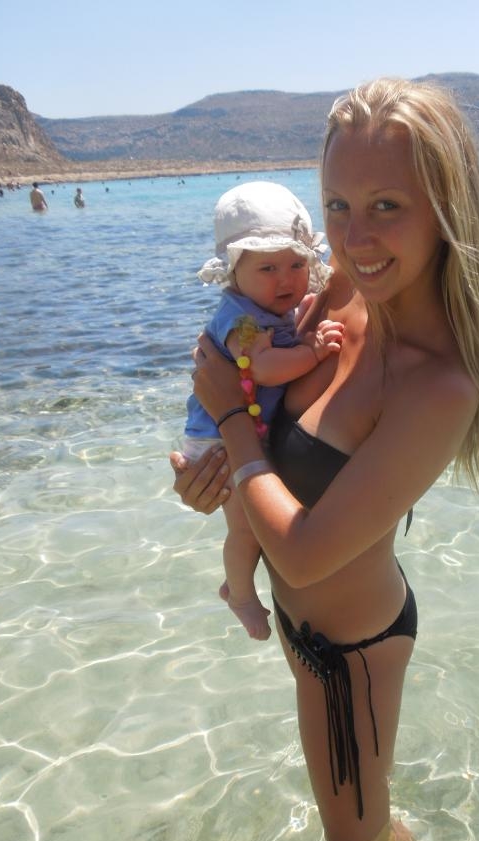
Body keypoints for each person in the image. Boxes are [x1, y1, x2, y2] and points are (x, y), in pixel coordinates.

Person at [172, 78, 479, 841]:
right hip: (299, 626)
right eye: (337, 206)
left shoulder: (440, 386)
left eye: (387, 206)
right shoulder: (343, 293)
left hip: (352, 652)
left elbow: (308, 548)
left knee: (355, 838)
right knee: (349, 821)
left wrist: (229, 420)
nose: (355, 238)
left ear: (448, 210)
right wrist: (214, 474)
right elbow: (269, 442)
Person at [183, 181, 342, 640]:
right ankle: (239, 594)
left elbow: (286, 328)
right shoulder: (242, 320)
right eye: (268, 268)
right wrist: (313, 352)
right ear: (234, 272)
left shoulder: (268, 307)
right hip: (217, 439)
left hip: (239, 427)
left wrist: (308, 312)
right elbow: (265, 368)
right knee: (247, 529)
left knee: (252, 524)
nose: (286, 280)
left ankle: (239, 582)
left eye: (297, 265)